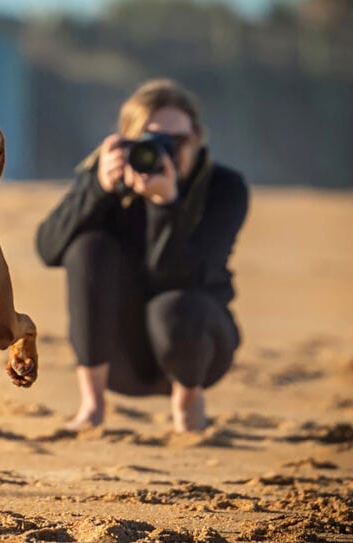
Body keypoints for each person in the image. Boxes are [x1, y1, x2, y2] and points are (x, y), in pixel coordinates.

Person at [35, 79, 248, 433]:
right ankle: (92, 404)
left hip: (198, 345)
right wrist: (96, 189)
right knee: (88, 247)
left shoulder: (224, 189)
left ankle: (188, 399)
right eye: (151, 141)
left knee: (174, 308)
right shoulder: (108, 177)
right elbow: (47, 249)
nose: (165, 151)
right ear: (128, 141)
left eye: (177, 141)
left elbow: (180, 277)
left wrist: (166, 205)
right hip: (121, 358)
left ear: (196, 137)